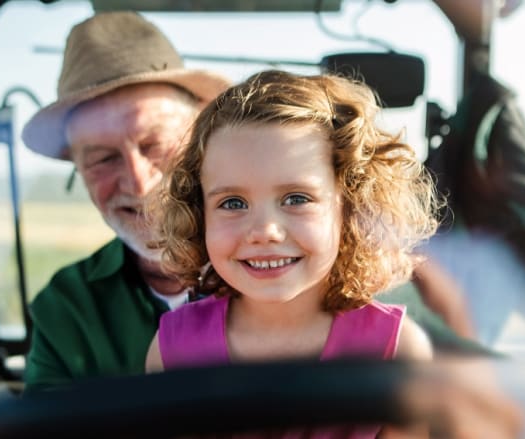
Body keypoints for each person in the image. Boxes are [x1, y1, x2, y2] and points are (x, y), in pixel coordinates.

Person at [144, 70, 439, 437]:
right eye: (233, 202)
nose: (265, 231)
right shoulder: (172, 350)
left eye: (296, 199)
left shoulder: (396, 350)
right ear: (199, 213)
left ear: (350, 205)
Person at [19, 11, 231, 392]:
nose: (138, 181)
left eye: (155, 145)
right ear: (77, 168)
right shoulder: (66, 304)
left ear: (204, 134)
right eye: (103, 158)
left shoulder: (277, 267)